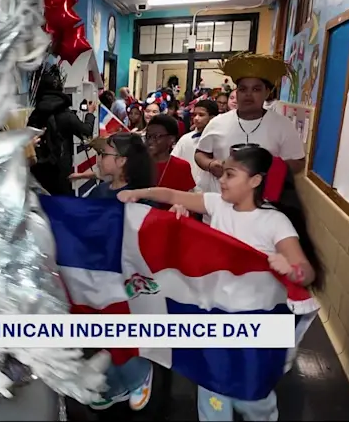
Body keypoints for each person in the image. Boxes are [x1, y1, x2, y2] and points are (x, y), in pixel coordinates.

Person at [117, 146, 323, 422]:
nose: (222, 180)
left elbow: (306, 272)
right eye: (223, 173)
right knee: (212, 385)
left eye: (230, 174)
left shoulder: (274, 222)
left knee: (252, 396)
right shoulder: (217, 205)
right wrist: (139, 194)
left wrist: (292, 269)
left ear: (255, 181)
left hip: (255, 324)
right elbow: (171, 195)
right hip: (216, 315)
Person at [81, 133, 157, 411]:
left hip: (127, 280)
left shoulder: (141, 198)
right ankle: (116, 384)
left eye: (105, 154)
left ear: (122, 161)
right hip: (101, 275)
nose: (100, 159)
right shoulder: (100, 190)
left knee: (121, 331)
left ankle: (138, 375)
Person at [194, 53, 305, 195]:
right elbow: (200, 153)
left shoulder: (283, 125)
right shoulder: (217, 123)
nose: (248, 94)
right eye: (243, 89)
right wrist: (210, 165)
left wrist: (271, 168)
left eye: (256, 89)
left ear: (267, 93)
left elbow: (299, 162)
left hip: (264, 206)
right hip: (219, 204)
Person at [28, 63, 95, 195]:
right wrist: (90, 114)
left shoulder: (35, 114)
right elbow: (86, 132)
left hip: (39, 170)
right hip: (60, 170)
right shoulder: (66, 114)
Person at [173, 99, 219, 186]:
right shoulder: (186, 139)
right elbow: (174, 161)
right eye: (194, 115)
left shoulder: (219, 140)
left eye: (201, 115)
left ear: (212, 117)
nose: (196, 118)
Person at [146, 114, 195, 193]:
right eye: (148, 136)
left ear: (171, 139)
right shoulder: (139, 163)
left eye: (156, 136)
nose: (150, 141)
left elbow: (189, 198)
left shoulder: (181, 166)